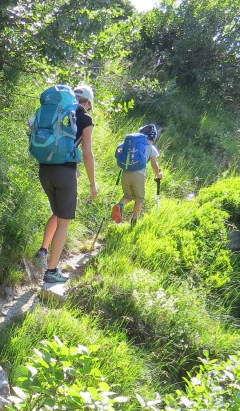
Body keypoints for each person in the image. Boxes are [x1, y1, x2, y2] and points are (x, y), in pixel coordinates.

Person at [33, 84, 98, 284]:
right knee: (64, 221)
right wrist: (93, 183)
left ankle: (43, 251)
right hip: (65, 172)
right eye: (89, 105)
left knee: (57, 212)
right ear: (87, 102)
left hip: (45, 169)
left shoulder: (57, 111)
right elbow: (87, 153)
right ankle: (51, 271)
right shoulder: (84, 118)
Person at [112, 123, 163, 227]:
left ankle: (119, 205)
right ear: (153, 138)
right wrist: (158, 175)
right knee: (139, 199)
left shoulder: (132, 145)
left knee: (128, 196)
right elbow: (154, 164)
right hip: (139, 175)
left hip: (125, 173)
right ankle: (134, 221)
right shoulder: (151, 147)